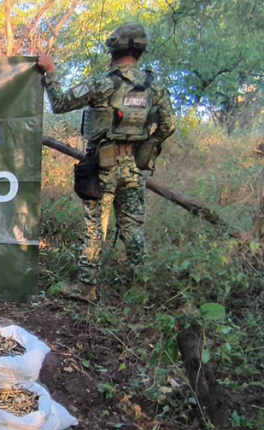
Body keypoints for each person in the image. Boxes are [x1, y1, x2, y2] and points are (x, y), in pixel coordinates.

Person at [37, 23, 175, 302]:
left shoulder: (103, 83)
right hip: (133, 168)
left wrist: (50, 73)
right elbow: (168, 125)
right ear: (140, 50)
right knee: (133, 228)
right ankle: (142, 287)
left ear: (113, 48)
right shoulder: (153, 87)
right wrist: (147, 146)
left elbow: (61, 103)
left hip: (103, 167)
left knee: (95, 229)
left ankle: (87, 288)